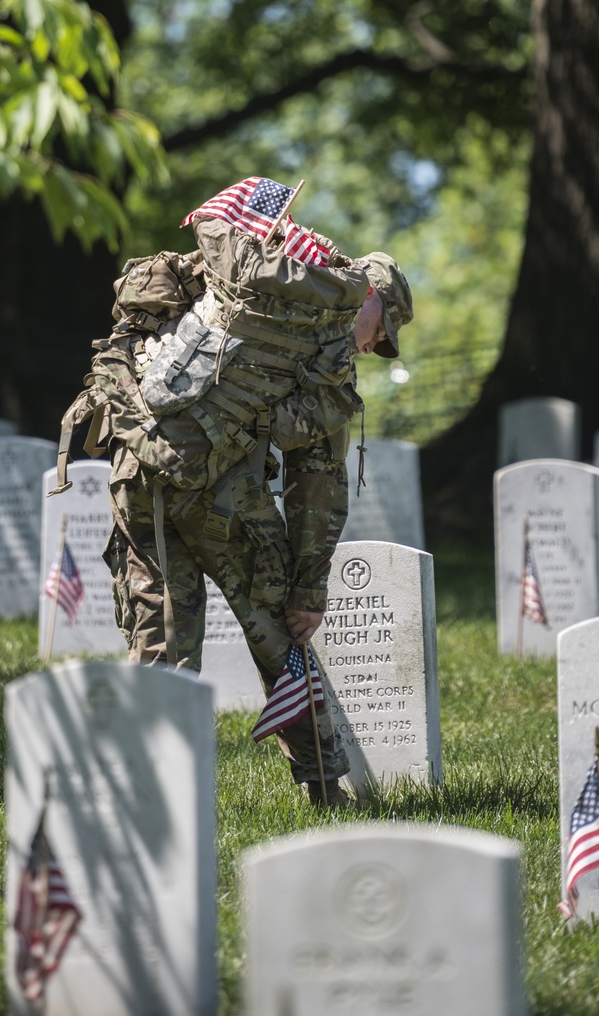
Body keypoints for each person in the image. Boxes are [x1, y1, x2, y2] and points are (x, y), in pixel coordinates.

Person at [85, 189, 413, 804]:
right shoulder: (323, 354)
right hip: (220, 495)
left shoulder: (230, 292)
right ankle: (323, 785)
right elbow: (316, 484)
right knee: (275, 634)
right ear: (368, 296)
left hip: (139, 463)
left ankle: (148, 794)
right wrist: (307, 591)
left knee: (159, 630)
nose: (375, 344)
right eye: (383, 328)